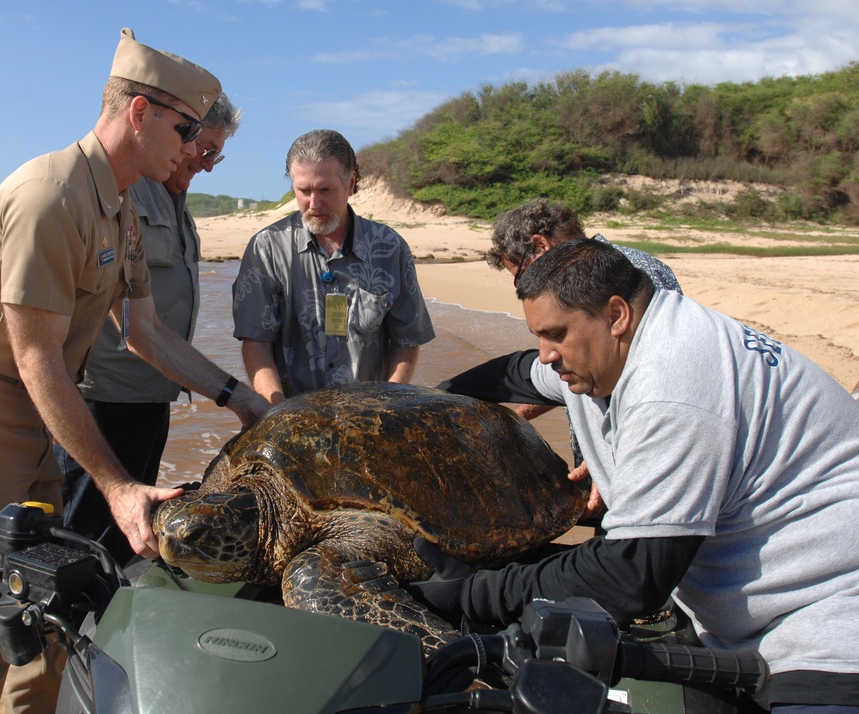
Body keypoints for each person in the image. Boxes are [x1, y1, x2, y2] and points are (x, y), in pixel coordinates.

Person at [0, 28, 268, 714]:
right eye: (187, 130)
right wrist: (118, 488)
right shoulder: (50, 194)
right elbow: (35, 355)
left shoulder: (121, 206)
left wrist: (239, 397)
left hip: (36, 418)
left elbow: (145, 333)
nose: (194, 149)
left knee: (52, 607)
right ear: (140, 112)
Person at [411, 238, 859, 710]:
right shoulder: (610, 351)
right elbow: (516, 373)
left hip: (824, 625)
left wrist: (472, 592)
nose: (545, 354)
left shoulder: (674, 386)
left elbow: (630, 577)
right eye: (539, 335)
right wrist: (428, 399)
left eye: (556, 334)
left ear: (617, 314)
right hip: (729, 618)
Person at [55, 93, 241, 567]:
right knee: (86, 550)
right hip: (103, 404)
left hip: (153, 399)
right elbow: (139, 328)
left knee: (129, 540)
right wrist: (237, 396)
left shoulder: (179, 201)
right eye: (204, 148)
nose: (207, 163)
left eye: (217, 155)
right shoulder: (130, 193)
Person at [437, 198, 682, 518]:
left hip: (640, 467)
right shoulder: (588, 277)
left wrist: (612, 456)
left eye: (520, 275)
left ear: (541, 246)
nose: (525, 287)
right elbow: (568, 373)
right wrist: (515, 418)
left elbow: (656, 379)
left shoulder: (626, 272)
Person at [232, 129, 435, 403]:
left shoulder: (390, 248)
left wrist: (387, 404)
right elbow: (256, 342)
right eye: (304, 191)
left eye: (325, 190)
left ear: (351, 183)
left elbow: (407, 341)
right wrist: (277, 413)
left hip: (368, 414)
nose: (314, 203)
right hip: (291, 414)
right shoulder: (265, 249)